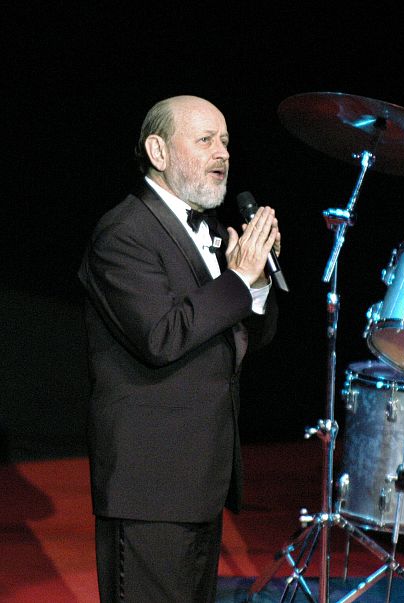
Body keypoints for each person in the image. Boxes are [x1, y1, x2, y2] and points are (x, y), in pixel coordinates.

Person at [78, 95, 280, 602]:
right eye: (206, 140)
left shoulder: (210, 230)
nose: (223, 153)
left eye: (226, 141)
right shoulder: (124, 232)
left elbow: (241, 340)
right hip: (150, 487)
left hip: (199, 482)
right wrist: (237, 278)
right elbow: (161, 336)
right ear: (158, 151)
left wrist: (255, 285)